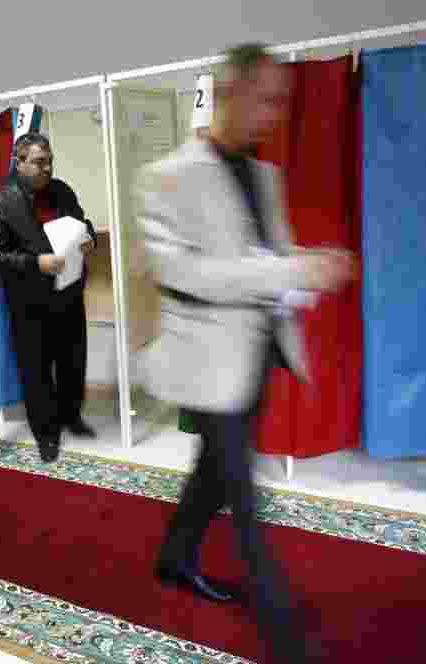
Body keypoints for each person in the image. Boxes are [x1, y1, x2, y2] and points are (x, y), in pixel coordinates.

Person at [135, 44, 356, 662]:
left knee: (214, 470)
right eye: (266, 98)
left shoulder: (266, 176)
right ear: (228, 91)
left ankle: (174, 557)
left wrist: (302, 278)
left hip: (258, 353)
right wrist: (295, 270)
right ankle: (283, 631)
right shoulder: (164, 176)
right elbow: (184, 274)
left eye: (282, 100)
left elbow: (269, 258)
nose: (275, 112)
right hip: (205, 361)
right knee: (243, 489)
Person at [0, 133, 98, 463]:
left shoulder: (62, 191)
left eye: (49, 161)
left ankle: (71, 417)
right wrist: (36, 263)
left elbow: (82, 222)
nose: (46, 168)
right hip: (30, 302)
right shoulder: (3, 203)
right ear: (18, 163)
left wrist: (90, 238)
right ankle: (46, 436)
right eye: (38, 162)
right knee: (36, 372)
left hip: (69, 290)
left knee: (73, 362)